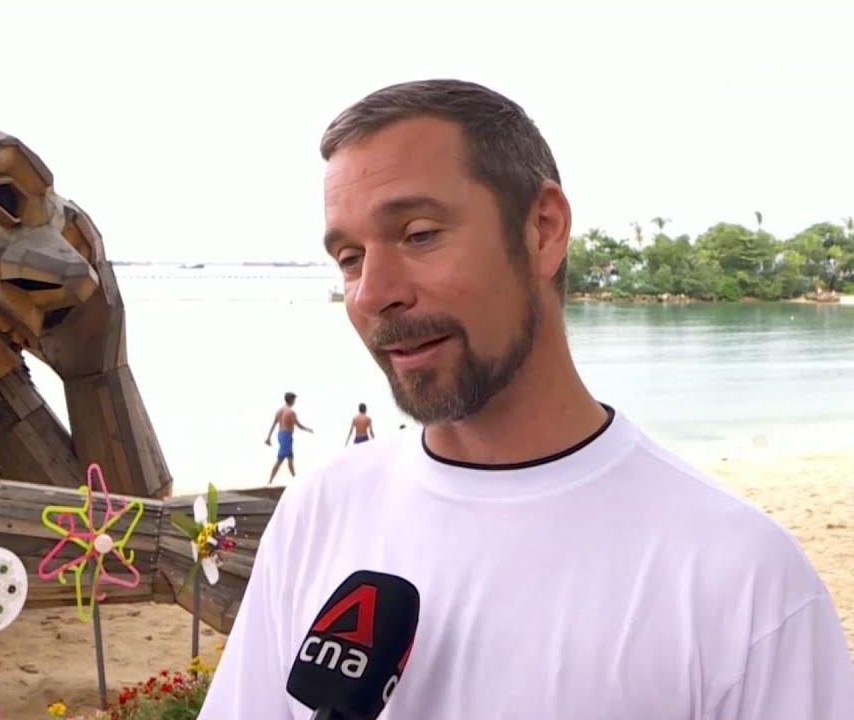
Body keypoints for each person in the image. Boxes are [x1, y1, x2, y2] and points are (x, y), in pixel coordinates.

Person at [200, 79, 854, 719]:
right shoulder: (319, 512)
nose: (373, 292)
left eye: (420, 234)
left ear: (542, 229)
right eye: (349, 257)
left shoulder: (742, 578)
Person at [264, 391, 312, 483]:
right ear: (291, 400)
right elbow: (299, 425)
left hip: (281, 435)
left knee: (290, 458)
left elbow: (273, 425)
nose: (294, 402)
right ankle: (270, 480)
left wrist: (268, 437)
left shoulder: (279, 411)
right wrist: (308, 429)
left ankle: (294, 479)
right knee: (280, 459)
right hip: (286, 436)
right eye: (294, 400)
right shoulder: (291, 412)